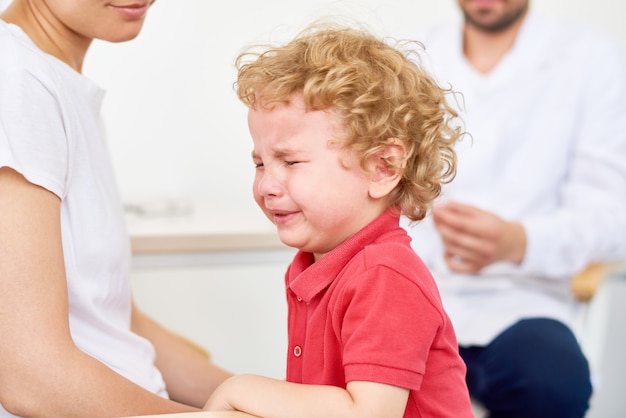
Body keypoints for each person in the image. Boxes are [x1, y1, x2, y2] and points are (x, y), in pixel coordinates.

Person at [202, 22, 474, 418]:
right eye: (260, 163)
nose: (266, 185)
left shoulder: (384, 275)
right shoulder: (316, 266)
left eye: (291, 161)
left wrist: (239, 389)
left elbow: (368, 412)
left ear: (382, 167)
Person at [0, 0, 231, 416]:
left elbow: (117, 320)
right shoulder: (16, 79)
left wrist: (273, 399)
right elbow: (30, 377)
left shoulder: (53, 78)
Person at [400, 0, 626, 417]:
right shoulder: (411, 59)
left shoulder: (590, 59)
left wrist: (520, 242)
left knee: (552, 383)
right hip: (415, 296)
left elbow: (612, 220)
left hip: (526, 303)